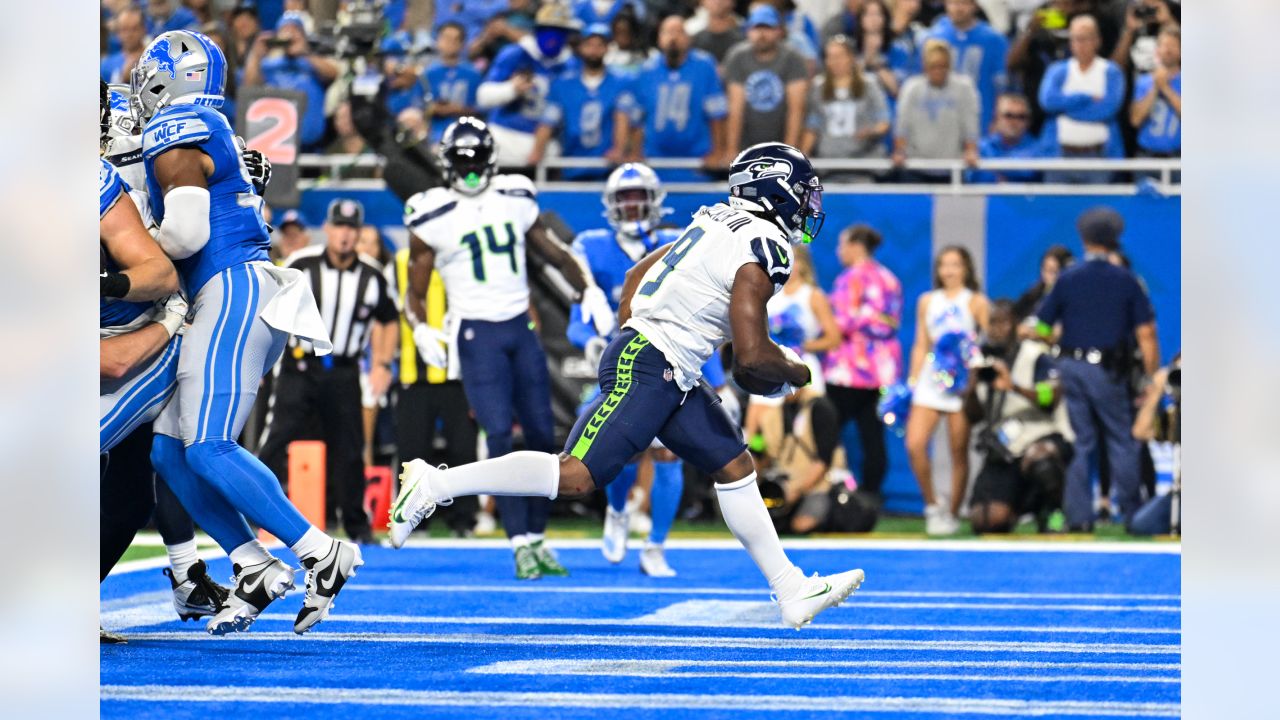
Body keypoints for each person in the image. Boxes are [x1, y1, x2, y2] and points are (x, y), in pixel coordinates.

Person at [391, 142, 865, 629]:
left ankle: (790, 590)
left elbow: (638, 275)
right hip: (653, 361)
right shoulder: (763, 245)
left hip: (666, 363)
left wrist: (636, 331)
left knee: (734, 464)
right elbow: (749, 359)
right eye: (803, 191)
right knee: (576, 475)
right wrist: (794, 371)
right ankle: (435, 483)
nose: (809, 203)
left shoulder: (718, 220)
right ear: (775, 187)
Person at [131, 30, 361, 635]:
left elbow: (184, 234)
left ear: (167, 82)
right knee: (168, 451)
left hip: (230, 288)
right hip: (230, 291)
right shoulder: (210, 126)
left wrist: (127, 261)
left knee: (207, 445)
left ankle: (319, 549)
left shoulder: (177, 124)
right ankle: (252, 563)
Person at [400, 117, 614, 579]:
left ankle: (537, 537)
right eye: (463, 161)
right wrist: (420, 327)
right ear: (447, 164)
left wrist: (587, 290)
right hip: (477, 335)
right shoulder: (430, 212)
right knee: (499, 434)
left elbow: (554, 252)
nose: (472, 170)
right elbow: (413, 290)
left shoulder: (514, 196)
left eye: (478, 160)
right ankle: (518, 541)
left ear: (492, 160)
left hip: (520, 328)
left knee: (542, 436)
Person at [565, 163, 715, 577]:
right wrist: (589, 339)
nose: (632, 209)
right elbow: (579, 315)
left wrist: (718, 379)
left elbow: (703, 313)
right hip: (625, 359)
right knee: (625, 449)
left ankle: (656, 546)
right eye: (624, 200)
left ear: (654, 202)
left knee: (669, 455)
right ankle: (616, 511)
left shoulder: (676, 242)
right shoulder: (592, 246)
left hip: (674, 356)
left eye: (638, 199)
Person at [257, 199, 399, 545]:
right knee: (275, 439)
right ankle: (254, 513)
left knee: (349, 449)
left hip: (344, 371)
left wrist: (381, 363)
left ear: (358, 232)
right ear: (329, 228)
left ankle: (355, 523)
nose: (346, 236)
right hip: (299, 367)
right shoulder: (301, 264)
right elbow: (270, 308)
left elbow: (388, 318)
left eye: (352, 228)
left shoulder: (372, 274)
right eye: (340, 227)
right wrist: (260, 356)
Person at [1031, 207, 1159, 531]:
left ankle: (1079, 518)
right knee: (1121, 439)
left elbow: (1042, 328)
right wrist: (1148, 376)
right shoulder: (1126, 280)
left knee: (1081, 441)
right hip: (1107, 370)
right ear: (1115, 240)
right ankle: (1133, 515)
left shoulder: (1067, 278)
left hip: (1071, 367)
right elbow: (1146, 334)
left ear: (1084, 239)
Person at [386, 245, 482, 539]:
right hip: (412, 377)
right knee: (412, 452)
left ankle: (464, 519)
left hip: (459, 377)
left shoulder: (465, 256)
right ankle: (414, 519)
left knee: (464, 451)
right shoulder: (401, 261)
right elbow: (387, 314)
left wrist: (479, 379)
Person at [964, 300, 1074, 533]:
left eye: (1002, 322)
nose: (996, 329)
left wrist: (1013, 387)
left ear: (1015, 324)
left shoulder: (1035, 356)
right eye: (991, 323)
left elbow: (1050, 399)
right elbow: (974, 417)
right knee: (985, 521)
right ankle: (1020, 508)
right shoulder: (983, 359)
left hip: (1040, 436)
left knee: (1041, 460)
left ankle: (1053, 512)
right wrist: (971, 388)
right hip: (1005, 447)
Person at [905, 245, 989, 535]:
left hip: (962, 382)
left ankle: (952, 513)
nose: (949, 271)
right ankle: (932, 506)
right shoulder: (927, 301)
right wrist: (913, 380)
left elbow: (986, 342)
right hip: (930, 378)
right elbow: (921, 343)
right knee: (915, 443)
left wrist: (974, 375)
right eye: (944, 265)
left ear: (966, 268)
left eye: (955, 264)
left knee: (958, 451)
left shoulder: (976, 301)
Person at [822, 224, 902, 503]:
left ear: (856, 245)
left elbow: (841, 323)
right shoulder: (890, 279)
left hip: (848, 371)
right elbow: (891, 323)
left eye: (842, 244)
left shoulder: (849, 280)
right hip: (882, 371)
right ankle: (870, 497)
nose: (838, 251)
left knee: (825, 430)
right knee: (873, 438)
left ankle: (825, 489)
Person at [743, 244, 841, 461]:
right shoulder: (771, 291)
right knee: (756, 428)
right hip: (769, 366)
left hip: (801, 368)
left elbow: (833, 338)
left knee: (799, 430)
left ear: (803, 265)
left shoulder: (813, 296)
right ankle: (757, 477)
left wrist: (801, 346)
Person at [476, 2, 582, 167]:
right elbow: (483, 96)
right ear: (537, 30)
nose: (553, 38)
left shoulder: (571, 66)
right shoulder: (515, 54)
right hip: (506, 135)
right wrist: (511, 89)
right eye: (548, 30)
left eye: (559, 32)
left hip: (548, 144)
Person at [628, 15, 729, 179]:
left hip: (696, 161)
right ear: (659, 39)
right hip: (655, 161)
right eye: (668, 32)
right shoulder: (646, 71)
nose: (673, 38)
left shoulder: (704, 66)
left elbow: (717, 113)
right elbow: (637, 118)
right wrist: (635, 152)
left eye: (679, 32)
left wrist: (718, 151)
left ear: (688, 38)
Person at [532, 23, 632, 179]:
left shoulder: (620, 83)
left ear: (607, 48)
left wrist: (619, 149)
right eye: (590, 45)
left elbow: (622, 118)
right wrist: (537, 151)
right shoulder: (563, 85)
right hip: (571, 165)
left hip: (606, 168)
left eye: (600, 45)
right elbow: (548, 121)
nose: (594, 50)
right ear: (581, 47)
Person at [1038, 14, 1125, 183]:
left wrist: (1064, 109)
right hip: (1060, 156)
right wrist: (1085, 98)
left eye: (1085, 39)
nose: (1080, 44)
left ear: (1097, 41)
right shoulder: (1057, 70)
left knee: (1097, 208)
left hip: (1098, 157)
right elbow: (1047, 102)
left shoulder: (1111, 71)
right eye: (1075, 39)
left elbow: (1106, 109)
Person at [242, 11, 340, 151]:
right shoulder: (270, 65)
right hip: (277, 145)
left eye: (296, 30)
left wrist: (304, 52)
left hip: (312, 145)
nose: (290, 34)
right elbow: (249, 87)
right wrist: (256, 55)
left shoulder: (311, 63)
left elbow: (334, 73)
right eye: (285, 29)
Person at [801, 35, 891, 182]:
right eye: (830, 57)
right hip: (829, 166)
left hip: (862, 164)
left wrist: (871, 131)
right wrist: (803, 156)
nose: (834, 62)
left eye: (839, 56)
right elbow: (813, 126)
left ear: (851, 58)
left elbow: (884, 121)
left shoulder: (869, 85)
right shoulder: (819, 87)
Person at [724, 6, 811, 154]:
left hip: (780, 138)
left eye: (768, 28)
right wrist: (732, 150)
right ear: (748, 31)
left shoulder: (793, 58)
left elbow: (796, 109)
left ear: (779, 31)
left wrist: (789, 152)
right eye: (757, 28)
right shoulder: (737, 57)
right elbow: (735, 107)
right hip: (747, 143)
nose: (762, 34)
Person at [893, 39, 980, 180]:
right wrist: (900, 150)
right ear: (925, 66)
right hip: (916, 167)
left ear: (949, 65)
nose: (938, 71)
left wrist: (971, 150)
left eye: (943, 66)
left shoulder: (964, 88)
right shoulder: (911, 88)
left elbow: (970, 124)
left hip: (952, 168)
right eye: (933, 66)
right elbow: (902, 126)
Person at [928, 0, 1009, 131]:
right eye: (953, 3)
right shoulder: (933, 38)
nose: (958, 8)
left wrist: (997, 118)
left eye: (964, 3)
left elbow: (1001, 85)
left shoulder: (994, 40)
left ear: (975, 5)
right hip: (942, 117)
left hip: (982, 116)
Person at [968, 93, 1048, 183]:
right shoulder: (982, 147)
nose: (1014, 122)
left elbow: (1027, 172)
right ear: (997, 118)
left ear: (1028, 121)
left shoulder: (1038, 148)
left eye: (1021, 117)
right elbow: (974, 177)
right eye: (1008, 116)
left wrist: (994, 171)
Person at [425, 22, 483, 144]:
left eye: (455, 39)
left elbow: (480, 109)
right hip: (432, 130)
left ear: (462, 44)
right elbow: (416, 105)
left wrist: (459, 109)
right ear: (438, 41)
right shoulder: (427, 73)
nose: (450, 43)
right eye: (445, 38)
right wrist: (432, 109)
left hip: (465, 131)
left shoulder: (473, 74)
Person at [1129, 26, 1180, 162]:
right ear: (1157, 50)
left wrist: (1166, 89)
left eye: (1173, 45)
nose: (1168, 50)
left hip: (1178, 156)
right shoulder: (1143, 81)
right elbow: (1135, 119)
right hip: (1146, 155)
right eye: (1164, 45)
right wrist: (1155, 88)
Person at [1012, 244, 1073, 324]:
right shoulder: (1031, 296)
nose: (1048, 276)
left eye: (1053, 271)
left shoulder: (1072, 299)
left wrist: (1038, 330)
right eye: (1045, 270)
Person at [101, 7, 147, 84]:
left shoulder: (155, 59)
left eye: (134, 29)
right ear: (118, 32)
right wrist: (122, 78)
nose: (129, 35)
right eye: (124, 29)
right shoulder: (106, 65)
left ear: (144, 29)